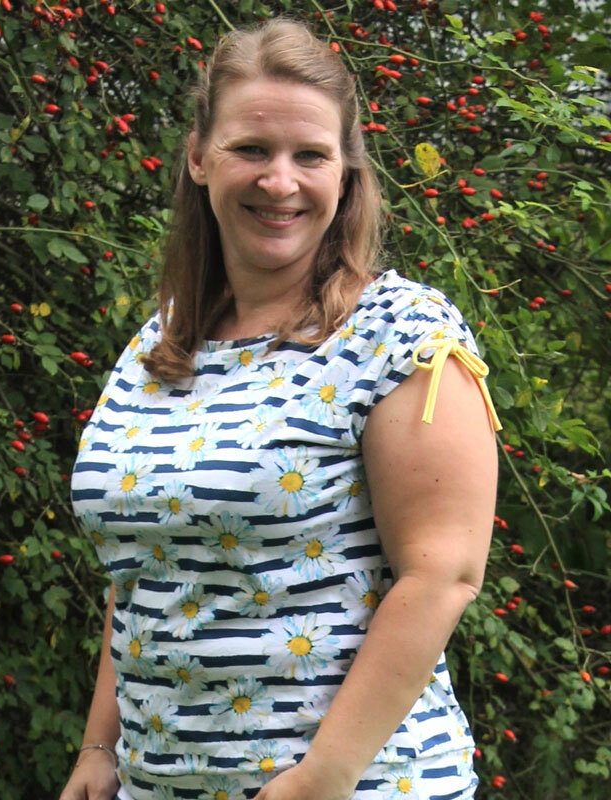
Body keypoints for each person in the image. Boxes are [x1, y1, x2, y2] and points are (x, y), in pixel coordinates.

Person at [63, 17, 501, 800]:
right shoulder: (159, 343)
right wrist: (101, 747)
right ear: (199, 158)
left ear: (346, 173)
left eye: (310, 156)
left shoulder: (403, 334)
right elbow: (146, 567)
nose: (279, 181)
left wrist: (322, 778)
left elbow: (443, 575)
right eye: (252, 149)